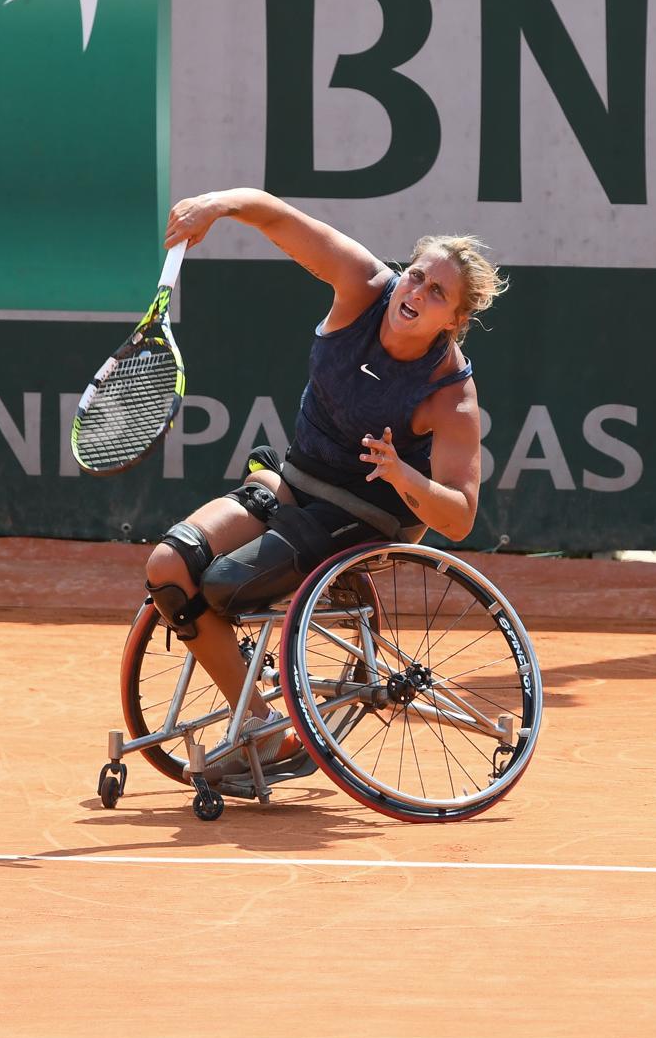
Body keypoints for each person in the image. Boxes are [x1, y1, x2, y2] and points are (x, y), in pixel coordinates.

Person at [144, 187, 507, 760]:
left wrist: (400, 474)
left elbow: (458, 518)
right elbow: (279, 216)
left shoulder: (450, 392)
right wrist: (214, 205)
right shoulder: (362, 286)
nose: (416, 292)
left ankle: (256, 726)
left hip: (366, 516)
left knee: (222, 586)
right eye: (416, 275)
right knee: (169, 567)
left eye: (437, 292)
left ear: (455, 320)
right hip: (294, 480)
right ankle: (263, 729)